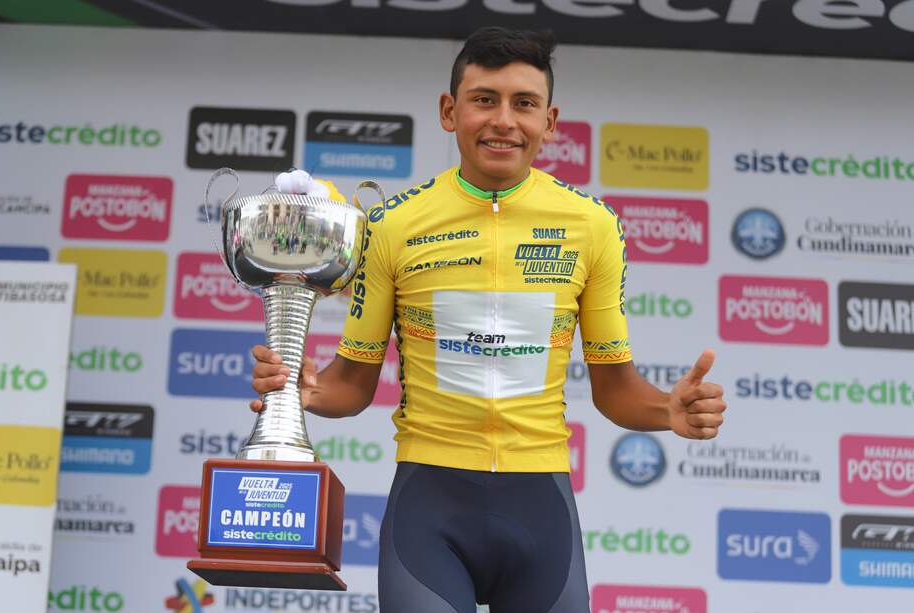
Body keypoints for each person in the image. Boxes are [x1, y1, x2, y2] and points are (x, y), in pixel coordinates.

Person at [250, 27, 726, 613]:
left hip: (541, 508)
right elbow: (351, 385)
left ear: (549, 122)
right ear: (450, 111)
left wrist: (667, 410)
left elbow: (615, 388)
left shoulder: (593, 226)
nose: (504, 120)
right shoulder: (393, 225)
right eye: (484, 99)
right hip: (430, 506)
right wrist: (305, 391)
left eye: (523, 103)